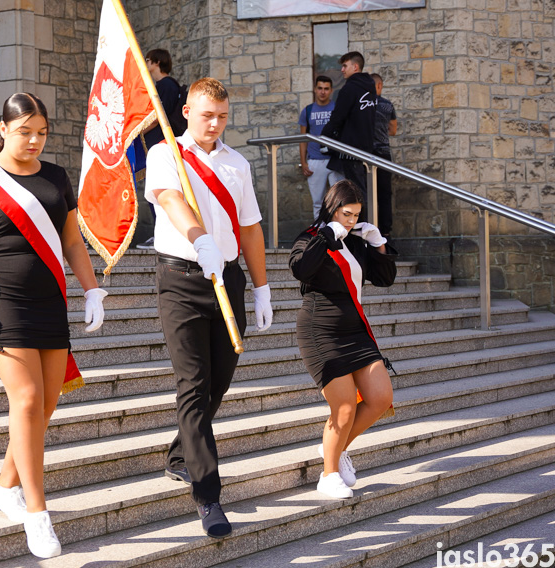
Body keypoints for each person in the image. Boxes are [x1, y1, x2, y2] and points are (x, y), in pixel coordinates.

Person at [0, 93, 107, 558]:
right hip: (4, 301)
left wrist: (91, 288)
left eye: (42, 132)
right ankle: (37, 515)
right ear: (3, 129)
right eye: (24, 132)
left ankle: (5, 485)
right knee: (28, 399)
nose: (35, 140)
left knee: (47, 405)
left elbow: (73, 241)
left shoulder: (57, 177)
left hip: (50, 299)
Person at [145, 77, 273, 538]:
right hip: (183, 279)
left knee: (219, 379)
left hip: (228, 281)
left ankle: (181, 454)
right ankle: (208, 495)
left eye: (222, 116)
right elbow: (170, 198)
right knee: (194, 386)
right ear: (186, 112)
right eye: (206, 116)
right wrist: (199, 240)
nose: (215, 124)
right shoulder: (165, 154)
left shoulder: (237, 162)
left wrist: (261, 287)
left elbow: (251, 227)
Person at [288, 180, 397, 499]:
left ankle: (337, 448)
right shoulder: (311, 237)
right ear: (332, 208)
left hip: (356, 332)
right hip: (320, 331)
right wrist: (325, 237)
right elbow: (300, 269)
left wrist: (378, 244)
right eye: (346, 214)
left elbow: (384, 279)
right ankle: (329, 474)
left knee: (379, 397)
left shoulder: (356, 241)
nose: (350, 221)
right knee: (345, 406)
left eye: (356, 215)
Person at [137, 48, 183, 250]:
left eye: (148, 60)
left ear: (156, 62)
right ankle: (160, 232)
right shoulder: (162, 85)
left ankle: (162, 233)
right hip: (157, 144)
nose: (146, 64)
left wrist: (137, 133)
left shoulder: (166, 85)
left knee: (160, 189)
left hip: (161, 145)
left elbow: (158, 117)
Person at [320, 52, 377, 199]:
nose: (342, 70)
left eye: (345, 66)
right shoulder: (370, 89)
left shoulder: (349, 88)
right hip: (367, 149)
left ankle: (361, 221)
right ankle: (365, 220)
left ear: (355, 67)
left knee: (355, 192)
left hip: (351, 150)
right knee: (364, 190)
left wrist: (324, 136)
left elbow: (337, 118)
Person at [298, 75, 342, 218]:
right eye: (320, 88)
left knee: (339, 201)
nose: (323, 92)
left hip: (334, 159)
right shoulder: (308, 111)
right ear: (315, 90)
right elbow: (303, 139)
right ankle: (320, 234)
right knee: (318, 202)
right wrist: (303, 162)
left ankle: (337, 234)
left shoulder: (337, 109)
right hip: (315, 161)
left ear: (331, 91)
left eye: (326, 89)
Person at [371, 73, 397, 237]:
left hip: (364, 153)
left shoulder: (363, 104)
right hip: (383, 153)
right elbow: (393, 130)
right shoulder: (387, 105)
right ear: (380, 85)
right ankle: (385, 231)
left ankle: (366, 227)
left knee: (365, 192)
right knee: (384, 194)